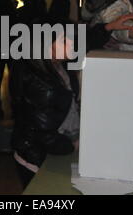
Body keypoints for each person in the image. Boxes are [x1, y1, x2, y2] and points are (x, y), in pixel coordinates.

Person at [10, 18, 80, 189]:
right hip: (37, 157)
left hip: (56, 149)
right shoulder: (38, 81)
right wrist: (71, 145)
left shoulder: (59, 67)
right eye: (64, 40)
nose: (71, 43)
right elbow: (43, 134)